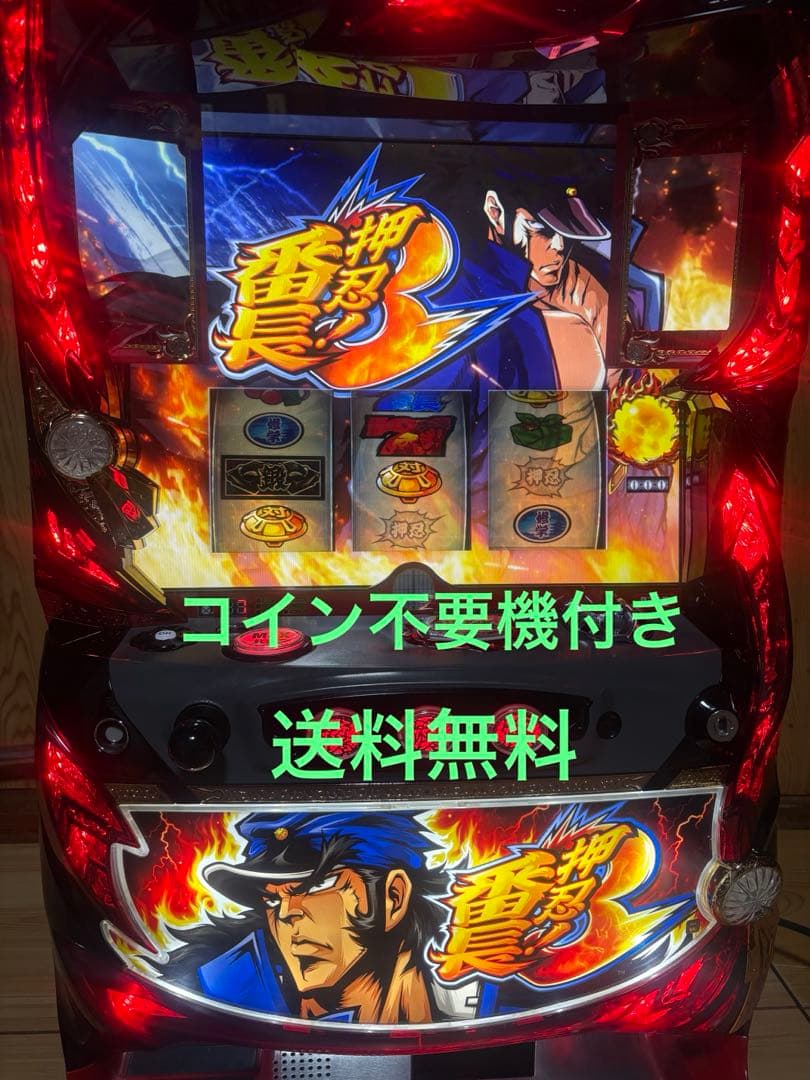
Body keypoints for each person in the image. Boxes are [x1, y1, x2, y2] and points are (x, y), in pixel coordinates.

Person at [160, 812, 447, 1024]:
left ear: (393, 896)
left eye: (315, 886)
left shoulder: (465, 996)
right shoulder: (221, 993)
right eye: (272, 899)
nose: (286, 913)